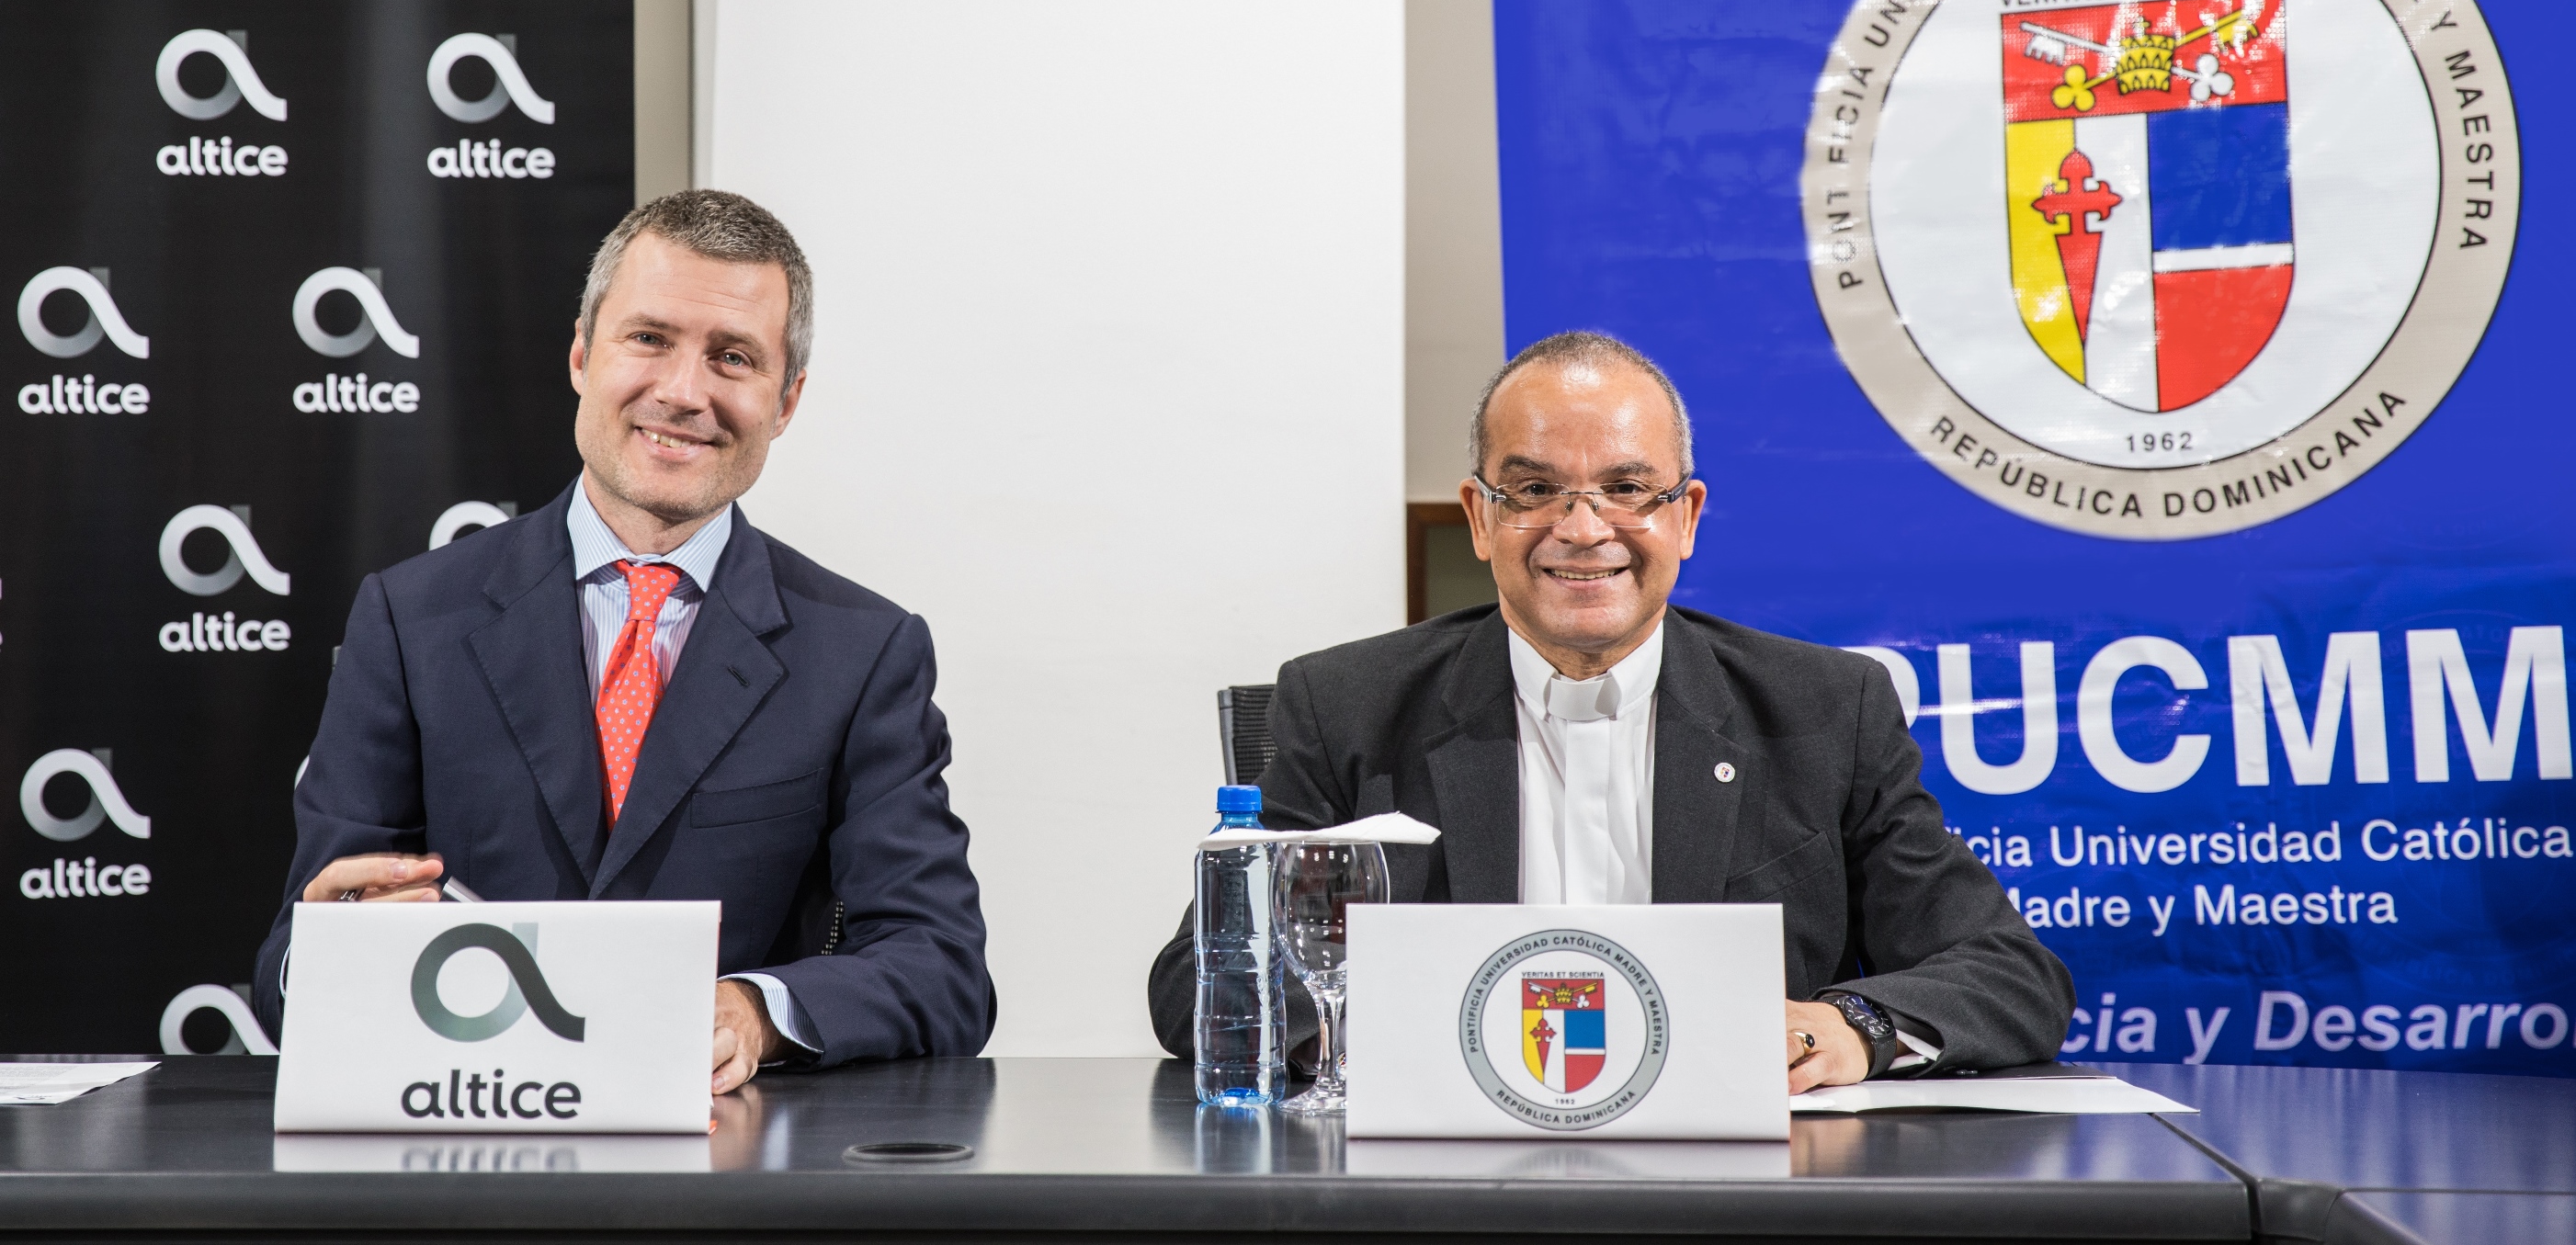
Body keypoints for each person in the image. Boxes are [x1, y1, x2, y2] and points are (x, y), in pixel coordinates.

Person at [1147, 332, 2071, 1090]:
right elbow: (1197, 984)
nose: (1581, 529)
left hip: (1745, 1205)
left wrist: (1848, 1027)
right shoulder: (1345, 704)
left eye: (1627, 489)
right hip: (1439, 1196)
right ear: (1478, 516)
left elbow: (2011, 975)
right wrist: (1396, 1025)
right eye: (1535, 489)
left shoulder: (1827, 710)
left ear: (1685, 515)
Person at [254, 190, 993, 1091]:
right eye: (648, 339)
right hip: (463, 1167)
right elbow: (291, 970)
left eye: (732, 357)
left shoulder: (864, 652)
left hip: (732, 1189)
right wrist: (330, 950)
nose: (684, 392)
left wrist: (757, 1012)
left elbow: (941, 967)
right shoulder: (411, 621)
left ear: (786, 399)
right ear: (580, 353)